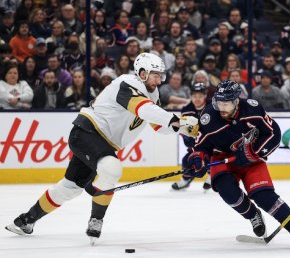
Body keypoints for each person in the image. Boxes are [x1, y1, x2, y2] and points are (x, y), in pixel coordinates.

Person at [5, 53, 199, 245]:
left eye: (160, 75)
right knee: (112, 168)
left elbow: (157, 125)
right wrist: (176, 120)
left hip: (99, 142)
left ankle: (26, 220)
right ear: (142, 73)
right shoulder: (127, 84)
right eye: (155, 74)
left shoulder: (152, 94)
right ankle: (96, 219)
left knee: (70, 188)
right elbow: (143, 109)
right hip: (87, 132)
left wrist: (181, 129)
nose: (159, 79)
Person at [186, 80, 290, 247]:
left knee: (265, 197)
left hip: (250, 156)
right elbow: (201, 146)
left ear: (236, 101)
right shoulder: (208, 117)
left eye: (226, 103)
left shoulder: (252, 109)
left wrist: (254, 152)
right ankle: (253, 215)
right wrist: (198, 159)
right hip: (222, 158)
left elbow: (273, 133)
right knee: (228, 192)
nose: (221, 108)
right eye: (219, 102)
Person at [171, 82, 211, 191]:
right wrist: (188, 139)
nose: (197, 99)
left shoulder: (212, 107)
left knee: (211, 158)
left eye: (200, 96)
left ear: (205, 96)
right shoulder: (186, 109)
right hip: (197, 143)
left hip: (213, 143)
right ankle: (186, 179)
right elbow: (185, 130)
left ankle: (212, 175)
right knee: (187, 161)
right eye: (194, 96)